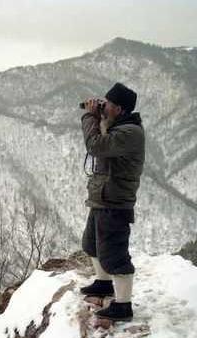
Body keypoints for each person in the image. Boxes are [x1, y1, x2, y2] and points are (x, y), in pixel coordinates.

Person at [79, 82, 145, 321]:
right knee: (91, 245)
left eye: (107, 105)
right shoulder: (117, 126)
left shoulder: (130, 133)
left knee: (115, 256)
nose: (103, 107)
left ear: (119, 108)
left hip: (115, 201)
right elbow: (102, 141)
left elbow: (95, 145)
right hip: (102, 197)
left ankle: (123, 305)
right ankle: (103, 283)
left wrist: (89, 116)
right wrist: (99, 119)